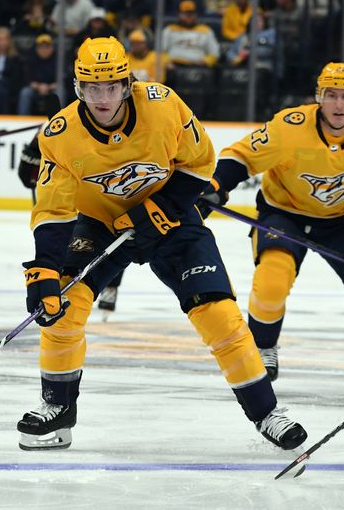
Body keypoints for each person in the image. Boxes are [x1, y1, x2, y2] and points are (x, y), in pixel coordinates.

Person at [16, 36, 307, 452]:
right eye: (92, 87)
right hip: (100, 223)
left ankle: (267, 412)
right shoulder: (60, 134)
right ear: (78, 87)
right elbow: (53, 210)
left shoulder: (163, 105)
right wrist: (44, 269)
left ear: (127, 83)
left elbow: (201, 164)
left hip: (171, 218)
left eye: (111, 86)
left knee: (218, 314)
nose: (102, 98)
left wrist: (161, 206)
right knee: (63, 305)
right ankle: (58, 409)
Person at [196, 62, 344, 395]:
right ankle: (264, 348)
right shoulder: (289, 126)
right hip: (284, 214)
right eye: (331, 95)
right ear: (318, 97)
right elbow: (242, 156)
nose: (339, 104)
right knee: (272, 279)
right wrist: (218, 184)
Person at [18, 130, 126, 313]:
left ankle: (110, 285)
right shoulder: (60, 125)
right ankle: (61, 282)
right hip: (70, 204)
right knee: (68, 253)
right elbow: (26, 172)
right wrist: (36, 155)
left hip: (102, 201)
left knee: (115, 235)